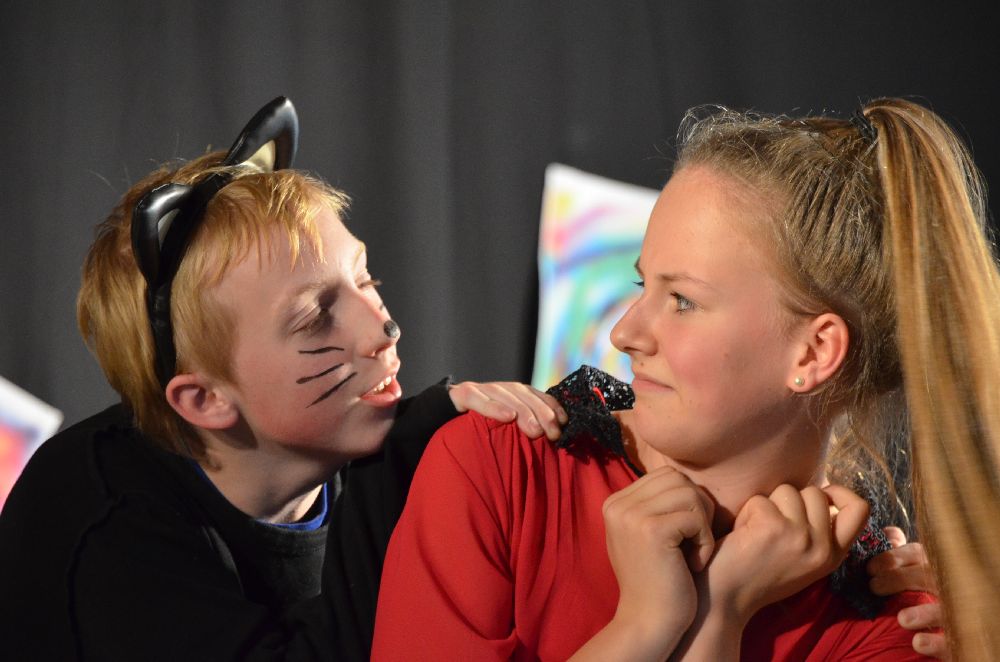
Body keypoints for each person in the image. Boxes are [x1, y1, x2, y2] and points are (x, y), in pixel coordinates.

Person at [372, 98, 976, 660]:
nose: (625, 333)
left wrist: (719, 614)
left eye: (683, 300)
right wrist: (642, 625)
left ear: (814, 352)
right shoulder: (498, 468)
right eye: (644, 285)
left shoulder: (894, 628)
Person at [0, 97, 566, 661]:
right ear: (205, 398)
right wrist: (397, 461)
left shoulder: (334, 441)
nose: (384, 327)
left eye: (364, 279)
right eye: (315, 316)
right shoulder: (104, 528)